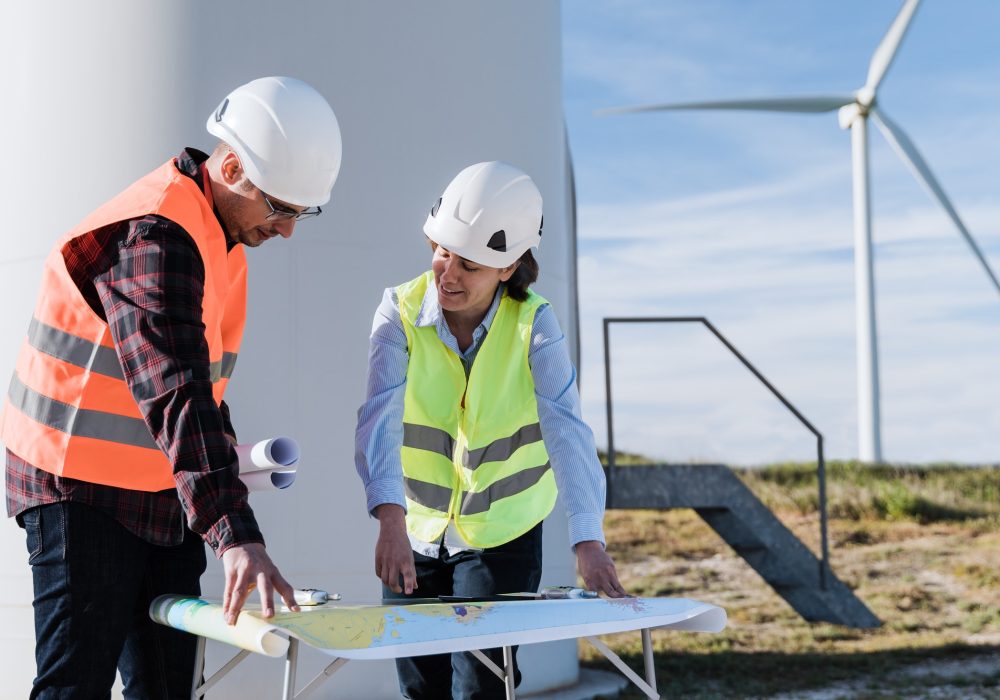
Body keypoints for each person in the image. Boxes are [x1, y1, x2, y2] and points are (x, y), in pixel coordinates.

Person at [0, 76, 342, 699]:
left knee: (166, 686)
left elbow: (201, 387)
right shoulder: (155, 235)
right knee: (75, 686)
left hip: (158, 489)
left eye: (301, 212)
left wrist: (226, 478)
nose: (289, 230)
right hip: (77, 485)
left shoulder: (219, 240)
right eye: (281, 208)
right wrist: (233, 531)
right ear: (232, 169)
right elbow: (175, 388)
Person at [355, 161, 627, 699]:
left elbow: (567, 430)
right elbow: (378, 419)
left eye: (470, 264)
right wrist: (389, 519)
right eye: (442, 253)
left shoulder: (535, 324)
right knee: (418, 687)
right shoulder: (399, 312)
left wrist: (588, 540)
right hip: (415, 528)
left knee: (481, 686)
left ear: (508, 268)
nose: (448, 274)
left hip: (503, 534)